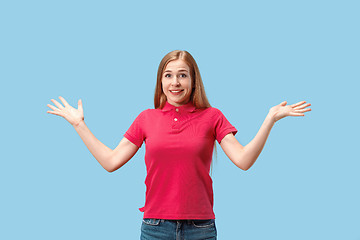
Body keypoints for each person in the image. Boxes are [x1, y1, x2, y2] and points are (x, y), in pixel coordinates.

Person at [46, 50, 312, 240]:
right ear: (160, 81)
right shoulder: (146, 119)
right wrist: (79, 125)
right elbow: (111, 161)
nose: (175, 82)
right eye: (169, 75)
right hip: (155, 227)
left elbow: (243, 160)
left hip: (201, 227)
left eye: (182, 75)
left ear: (193, 80)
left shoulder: (213, 116)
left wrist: (270, 119)